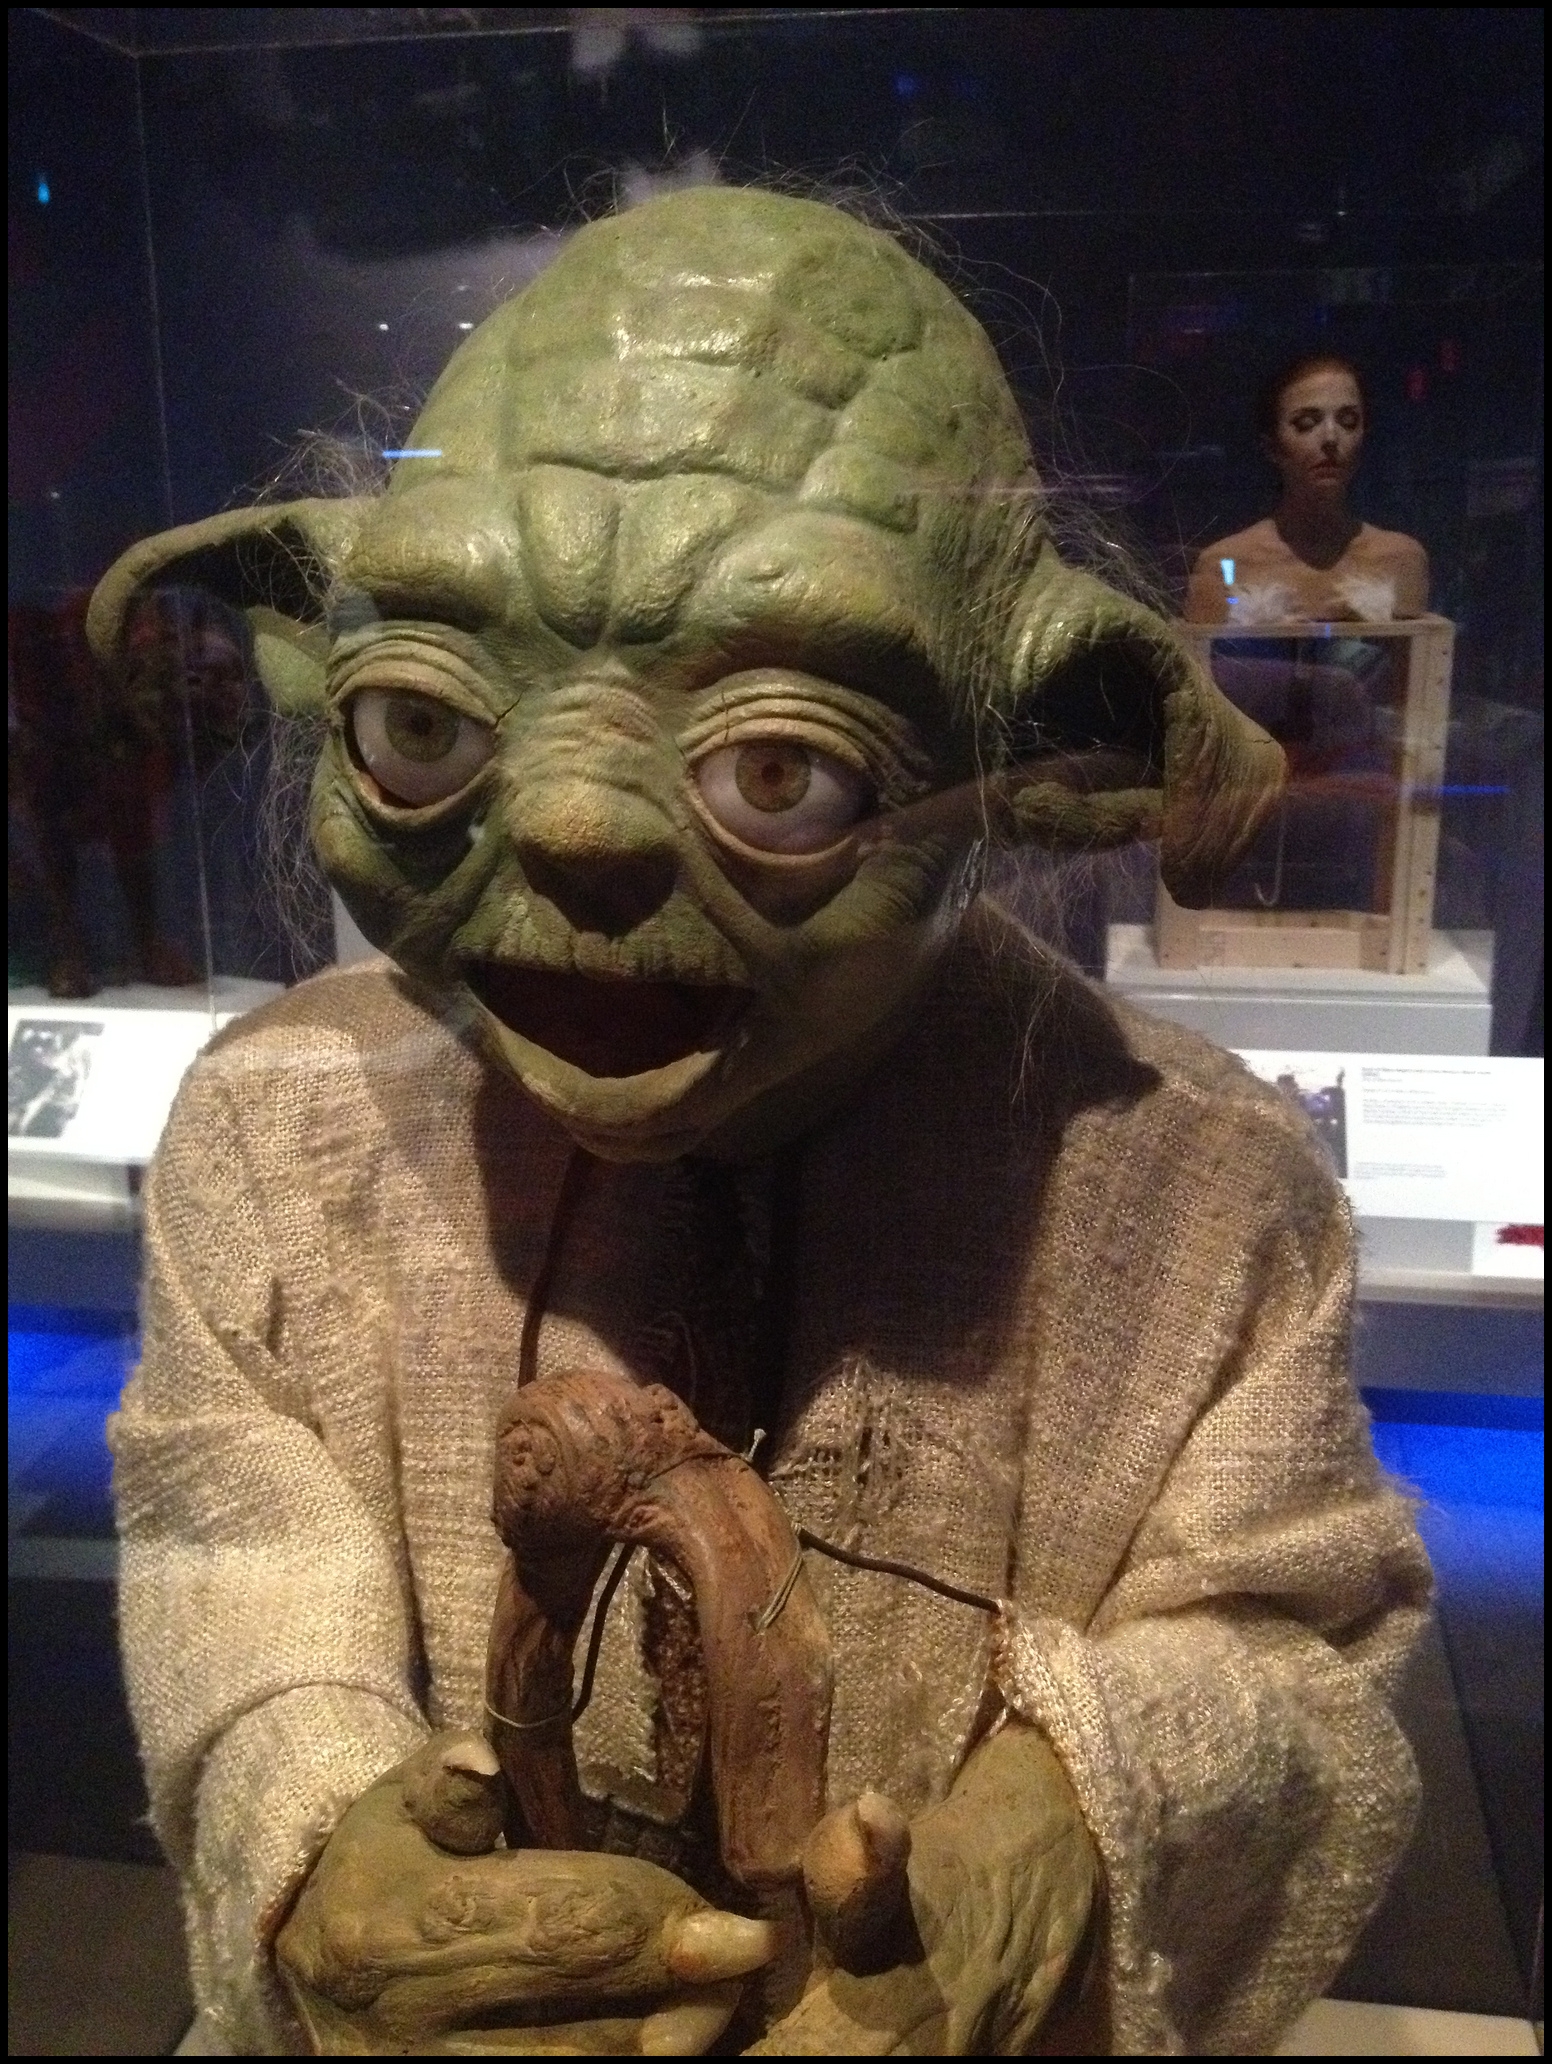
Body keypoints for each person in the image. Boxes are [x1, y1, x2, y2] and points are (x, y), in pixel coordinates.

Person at [94, 189, 1428, 2056]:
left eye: (778, 766)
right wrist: (311, 1834)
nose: (572, 827)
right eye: (425, 724)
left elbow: (1294, 1639)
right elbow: (238, 1556)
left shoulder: (1195, 1194)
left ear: (1048, 752)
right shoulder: (279, 1136)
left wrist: (1074, 1822)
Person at [1184, 354, 1429, 625]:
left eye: (1348, 421)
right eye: (1306, 423)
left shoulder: (1401, 559)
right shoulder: (1224, 566)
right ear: (1272, 447)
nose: (1331, 438)